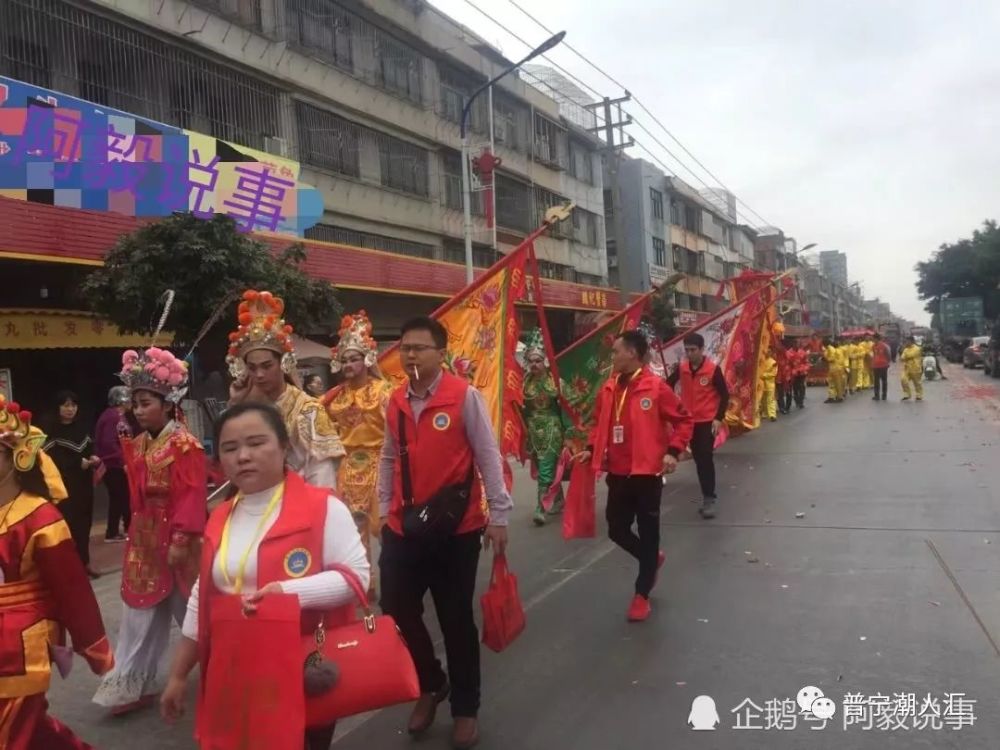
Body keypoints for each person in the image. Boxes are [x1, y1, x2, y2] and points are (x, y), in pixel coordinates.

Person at [160, 402, 370, 750]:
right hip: (234, 670)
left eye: (257, 443)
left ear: (284, 446)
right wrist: (179, 675)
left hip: (301, 671)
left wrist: (283, 592)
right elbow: (203, 596)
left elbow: (355, 579)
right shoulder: (220, 516)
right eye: (230, 448)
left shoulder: (322, 507)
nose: (243, 456)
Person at [377, 316, 512, 750]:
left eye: (419, 348)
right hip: (403, 525)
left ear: (440, 353)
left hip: (457, 529)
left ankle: (466, 708)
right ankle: (432, 683)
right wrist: (383, 508)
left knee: (455, 619)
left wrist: (500, 515)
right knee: (395, 608)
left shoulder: (463, 396)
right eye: (405, 348)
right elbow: (386, 458)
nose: (410, 355)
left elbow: (488, 455)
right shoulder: (396, 400)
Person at [93, 347, 207, 715]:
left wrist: (180, 539)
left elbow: (191, 496)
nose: (138, 411)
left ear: (167, 402)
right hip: (143, 540)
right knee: (138, 614)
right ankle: (127, 684)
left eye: (145, 403)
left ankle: (223, 668)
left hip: (177, 539)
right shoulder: (139, 444)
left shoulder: (184, 445)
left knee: (191, 611)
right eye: (135, 404)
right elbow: (136, 497)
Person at [0, 395, 115, 748]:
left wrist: (94, 646)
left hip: (20, 639)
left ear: (14, 457)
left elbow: (72, 590)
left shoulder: (39, 517)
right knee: (31, 732)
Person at [575, 331, 693, 622]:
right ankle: (650, 559)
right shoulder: (609, 389)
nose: (612, 356)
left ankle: (641, 594)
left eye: (616, 351)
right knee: (616, 528)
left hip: (647, 473)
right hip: (617, 471)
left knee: (649, 530)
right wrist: (592, 449)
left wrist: (673, 451)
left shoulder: (656, 388)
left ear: (632, 354)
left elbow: (683, 420)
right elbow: (598, 423)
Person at [226, 289, 345, 488]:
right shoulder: (248, 406)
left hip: (297, 502)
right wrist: (235, 403)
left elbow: (321, 474)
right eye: (253, 368)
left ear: (283, 364)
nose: (260, 375)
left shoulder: (307, 410)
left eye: (267, 366)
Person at [322, 310, 393, 596]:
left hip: (379, 462)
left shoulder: (383, 391)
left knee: (385, 527)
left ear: (367, 359)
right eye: (345, 359)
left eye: (355, 358)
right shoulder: (335, 397)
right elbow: (315, 418)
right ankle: (366, 583)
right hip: (348, 466)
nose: (349, 364)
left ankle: (397, 575)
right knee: (354, 528)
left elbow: (395, 429)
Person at [665, 333, 728, 519]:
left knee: (705, 459)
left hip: (706, 422)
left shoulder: (713, 370)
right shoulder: (682, 368)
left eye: (693, 350)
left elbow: (724, 395)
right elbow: (666, 386)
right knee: (675, 453)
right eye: (687, 350)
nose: (689, 353)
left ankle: (709, 498)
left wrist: (718, 418)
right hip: (686, 423)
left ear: (701, 349)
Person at [41, 390, 101, 578]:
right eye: (65, 405)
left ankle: (85, 563)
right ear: (57, 407)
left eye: (73, 405)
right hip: (64, 487)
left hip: (83, 485)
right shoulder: (51, 431)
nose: (70, 409)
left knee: (84, 525)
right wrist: (77, 463)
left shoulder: (81, 427)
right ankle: (70, 568)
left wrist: (93, 457)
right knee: (68, 526)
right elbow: (49, 459)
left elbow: (89, 447)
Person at [519, 328, 571, 526]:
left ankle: (541, 508)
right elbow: (519, 408)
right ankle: (558, 500)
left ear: (545, 362)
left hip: (552, 429)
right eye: (530, 361)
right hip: (533, 431)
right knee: (542, 468)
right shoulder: (523, 384)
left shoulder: (556, 382)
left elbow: (568, 408)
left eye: (538, 360)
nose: (534, 364)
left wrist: (569, 433)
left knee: (546, 470)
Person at [94, 385, 133, 542]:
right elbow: (109, 442)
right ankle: (114, 531)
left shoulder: (117, 416)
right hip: (114, 464)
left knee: (121, 497)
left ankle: (119, 529)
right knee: (120, 497)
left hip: (116, 463)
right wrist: (122, 460)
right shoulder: (113, 417)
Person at [900, 336, 924, 401]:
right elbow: (902, 358)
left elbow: (912, 355)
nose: (906, 343)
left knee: (917, 383)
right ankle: (907, 394)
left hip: (915, 368)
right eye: (906, 341)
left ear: (911, 341)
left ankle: (919, 395)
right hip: (907, 368)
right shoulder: (905, 349)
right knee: (903, 379)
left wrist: (906, 357)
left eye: (908, 341)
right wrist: (905, 357)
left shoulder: (917, 348)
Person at [824, 339, 846, 403]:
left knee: (835, 383)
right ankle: (835, 396)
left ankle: (838, 397)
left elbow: (832, 359)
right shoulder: (840, 351)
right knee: (834, 383)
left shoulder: (834, 351)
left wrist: (826, 359)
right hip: (837, 368)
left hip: (835, 369)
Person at [871, 334, 892, 401]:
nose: (873, 340)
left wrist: (888, 362)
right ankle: (877, 395)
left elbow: (888, 354)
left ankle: (884, 395)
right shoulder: (873, 346)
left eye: (874, 339)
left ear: (877, 339)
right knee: (876, 381)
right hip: (876, 366)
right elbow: (874, 355)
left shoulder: (884, 346)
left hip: (883, 365)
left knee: (884, 381)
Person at [760, 349, 778, 422]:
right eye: (766, 351)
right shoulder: (761, 361)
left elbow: (774, 374)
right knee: (762, 400)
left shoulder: (774, 362)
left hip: (770, 384)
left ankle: (772, 415)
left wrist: (763, 375)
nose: (767, 353)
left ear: (771, 353)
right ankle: (764, 413)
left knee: (771, 400)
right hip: (761, 384)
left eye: (769, 351)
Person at [776, 347, 793, 415]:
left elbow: (793, 365)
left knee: (788, 393)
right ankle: (782, 407)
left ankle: (787, 406)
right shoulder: (776, 357)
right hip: (779, 378)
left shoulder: (789, 355)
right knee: (780, 394)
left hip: (787, 377)